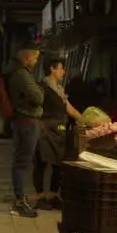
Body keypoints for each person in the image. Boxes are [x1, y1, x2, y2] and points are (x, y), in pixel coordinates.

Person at [33, 59, 81, 209]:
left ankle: (53, 195)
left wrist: (86, 120)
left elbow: (69, 108)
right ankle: (40, 197)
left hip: (58, 129)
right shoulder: (42, 88)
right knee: (41, 162)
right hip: (44, 129)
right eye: (61, 68)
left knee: (58, 162)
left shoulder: (59, 89)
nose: (63, 72)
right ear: (52, 69)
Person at [7, 43, 44, 218]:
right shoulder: (22, 74)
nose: (36, 61)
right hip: (27, 121)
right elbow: (38, 97)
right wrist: (40, 90)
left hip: (22, 120)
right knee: (22, 163)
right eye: (35, 58)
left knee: (20, 161)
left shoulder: (15, 71)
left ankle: (19, 199)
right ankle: (19, 203)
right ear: (28, 57)